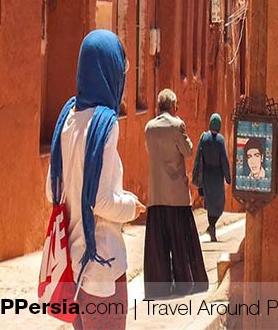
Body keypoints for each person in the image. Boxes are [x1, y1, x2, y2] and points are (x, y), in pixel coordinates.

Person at [45, 30, 145, 330]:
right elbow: (100, 201)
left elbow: (52, 191)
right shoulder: (105, 125)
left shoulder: (67, 118)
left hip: (71, 268)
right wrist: (132, 206)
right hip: (102, 267)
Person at [143, 89, 208, 298]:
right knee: (182, 242)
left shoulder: (149, 128)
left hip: (156, 194)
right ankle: (185, 283)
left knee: (158, 245)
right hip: (177, 195)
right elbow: (188, 151)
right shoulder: (177, 125)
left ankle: (159, 288)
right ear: (173, 106)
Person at [193, 113, 231, 242]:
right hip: (217, 176)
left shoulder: (204, 138)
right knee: (220, 203)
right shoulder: (220, 140)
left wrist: (197, 176)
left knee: (210, 203)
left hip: (206, 176)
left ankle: (211, 226)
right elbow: (224, 159)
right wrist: (228, 177)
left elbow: (198, 157)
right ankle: (212, 226)